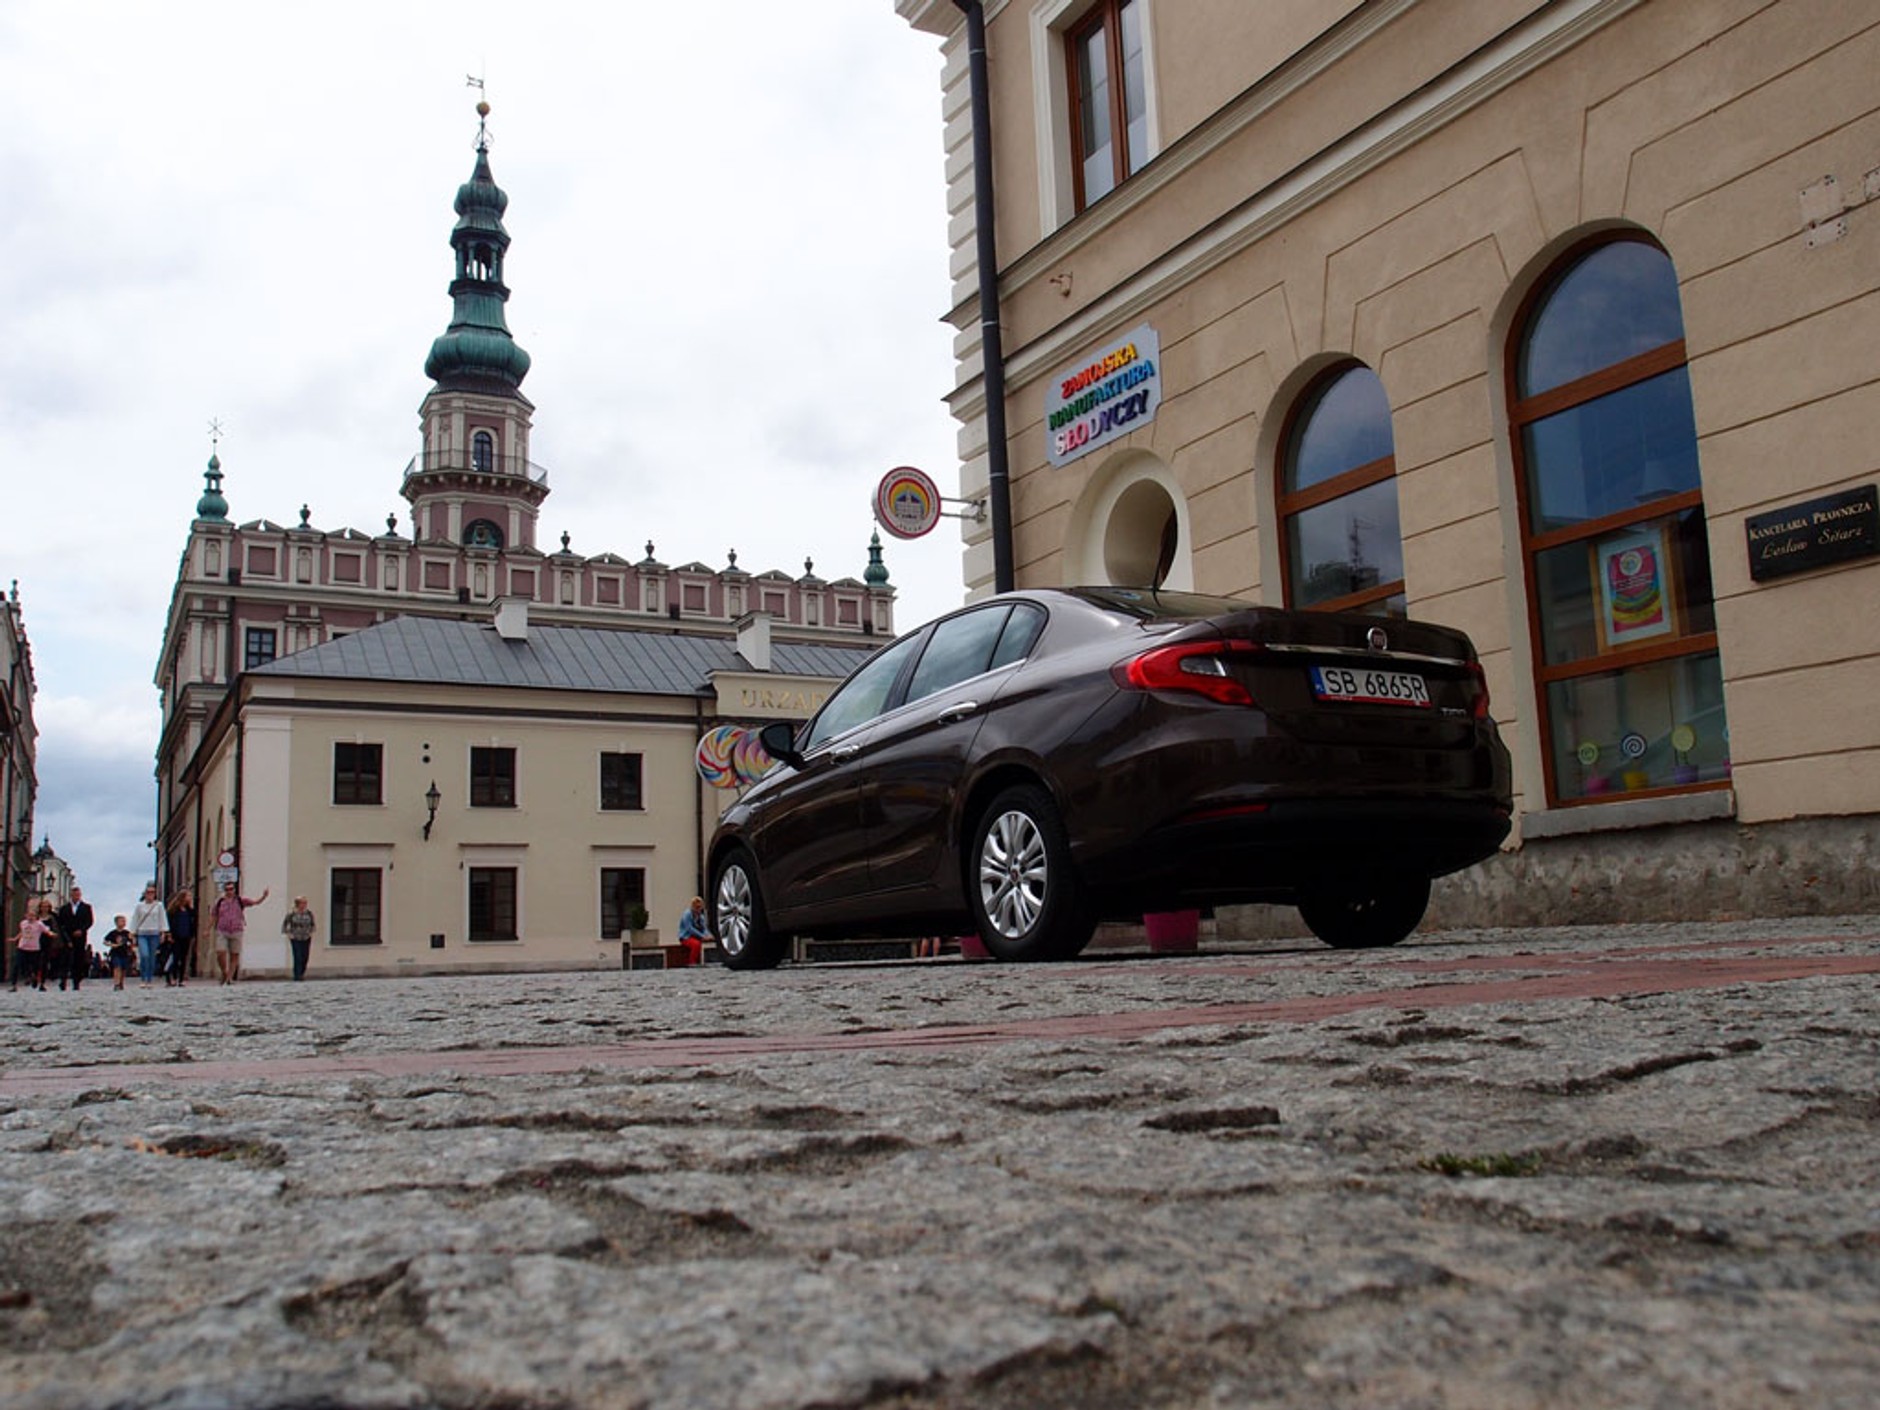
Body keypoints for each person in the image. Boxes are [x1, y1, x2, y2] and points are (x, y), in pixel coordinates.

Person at [210, 880, 269, 985]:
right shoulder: (219, 902)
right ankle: (224, 972)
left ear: (234, 890)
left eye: (231, 889)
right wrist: (207, 929)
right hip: (222, 930)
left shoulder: (240, 900)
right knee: (220, 952)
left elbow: (255, 902)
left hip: (236, 930)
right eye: (227, 889)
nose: (229, 891)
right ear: (224, 890)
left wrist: (264, 896)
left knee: (234, 954)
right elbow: (214, 915)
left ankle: (229, 978)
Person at [129, 884, 169, 989]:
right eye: (148, 892)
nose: (150, 895)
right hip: (142, 933)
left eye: (152, 892)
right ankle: (143, 978)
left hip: (154, 933)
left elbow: (162, 919)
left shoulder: (159, 905)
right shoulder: (139, 906)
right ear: (145, 894)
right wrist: (132, 932)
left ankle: (149, 979)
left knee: (152, 957)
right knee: (144, 955)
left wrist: (163, 932)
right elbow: (135, 919)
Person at [56, 886, 95, 991]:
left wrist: (81, 930)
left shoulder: (86, 907)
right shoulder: (64, 908)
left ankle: (76, 981)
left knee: (78, 959)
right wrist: (66, 934)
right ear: (71, 895)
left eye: (78, 895)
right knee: (65, 958)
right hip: (67, 936)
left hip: (80, 936)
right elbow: (60, 923)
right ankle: (63, 980)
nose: (76, 897)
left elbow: (89, 921)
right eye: (74, 895)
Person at [12, 900, 53, 991]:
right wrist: (15, 939)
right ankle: (18, 982)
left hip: (39, 945)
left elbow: (49, 930)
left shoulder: (43, 922)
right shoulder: (24, 923)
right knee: (20, 964)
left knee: (38, 965)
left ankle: (38, 981)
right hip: (25, 945)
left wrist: (52, 935)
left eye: (33, 915)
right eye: (29, 915)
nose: (31, 917)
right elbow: (22, 932)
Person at [166, 889, 197, 986]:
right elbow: (169, 922)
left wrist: (191, 907)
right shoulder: (174, 909)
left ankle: (181, 979)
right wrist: (169, 934)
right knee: (176, 957)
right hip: (176, 936)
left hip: (186, 935)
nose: (190, 898)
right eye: (188, 896)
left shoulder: (188, 909)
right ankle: (173, 977)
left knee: (184, 958)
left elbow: (194, 918)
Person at [281, 896, 316, 980]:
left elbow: (312, 924)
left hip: (306, 936)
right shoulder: (292, 913)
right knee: (298, 956)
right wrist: (289, 934)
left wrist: (311, 932)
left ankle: (302, 972)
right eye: (302, 903)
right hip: (295, 937)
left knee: (305, 956)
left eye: (305, 903)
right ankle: (297, 975)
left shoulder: (309, 913)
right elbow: (285, 924)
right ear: (298, 904)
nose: (304, 905)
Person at [676, 896, 713, 967]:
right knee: (696, 945)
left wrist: (708, 936)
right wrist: (702, 936)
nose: (698, 909)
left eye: (700, 907)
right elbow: (689, 928)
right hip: (686, 937)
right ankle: (692, 963)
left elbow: (704, 928)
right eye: (697, 907)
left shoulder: (700, 916)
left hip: (696, 936)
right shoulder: (687, 915)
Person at [104, 916, 136, 990]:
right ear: (116, 922)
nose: (123, 923)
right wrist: (112, 945)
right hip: (115, 953)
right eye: (121, 921)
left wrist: (132, 939)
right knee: (117, 967)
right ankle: (116, 983)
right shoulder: (112, 933)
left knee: (123, 969)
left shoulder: (127, 932)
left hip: (125, 952)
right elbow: (105, 941)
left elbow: (132, 942)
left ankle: (121, 982)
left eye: (124, 921)